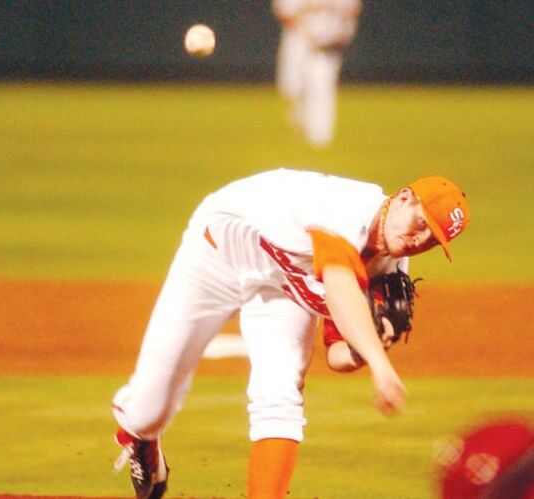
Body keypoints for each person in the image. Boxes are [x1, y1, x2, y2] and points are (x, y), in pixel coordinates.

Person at [112, 168, 470, 498]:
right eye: (420, 223)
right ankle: (139, 435)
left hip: (281, 287)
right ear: (404, 198)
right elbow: (341, 284)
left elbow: (336, 354)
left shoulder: (390, 265)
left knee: (280, 394)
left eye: (432, 240)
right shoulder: (345, 209)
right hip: (216, 258)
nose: (418, 239)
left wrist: (366, 349)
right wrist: (380, 365)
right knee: (147, 411)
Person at [272, 0, 361, 147]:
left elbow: (350, 11)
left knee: (322, 87)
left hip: (327, 42)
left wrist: (342, 32)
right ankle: (302, 124)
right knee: (291, 87)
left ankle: (321, 134)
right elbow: (285, 13)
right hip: (299, 39)